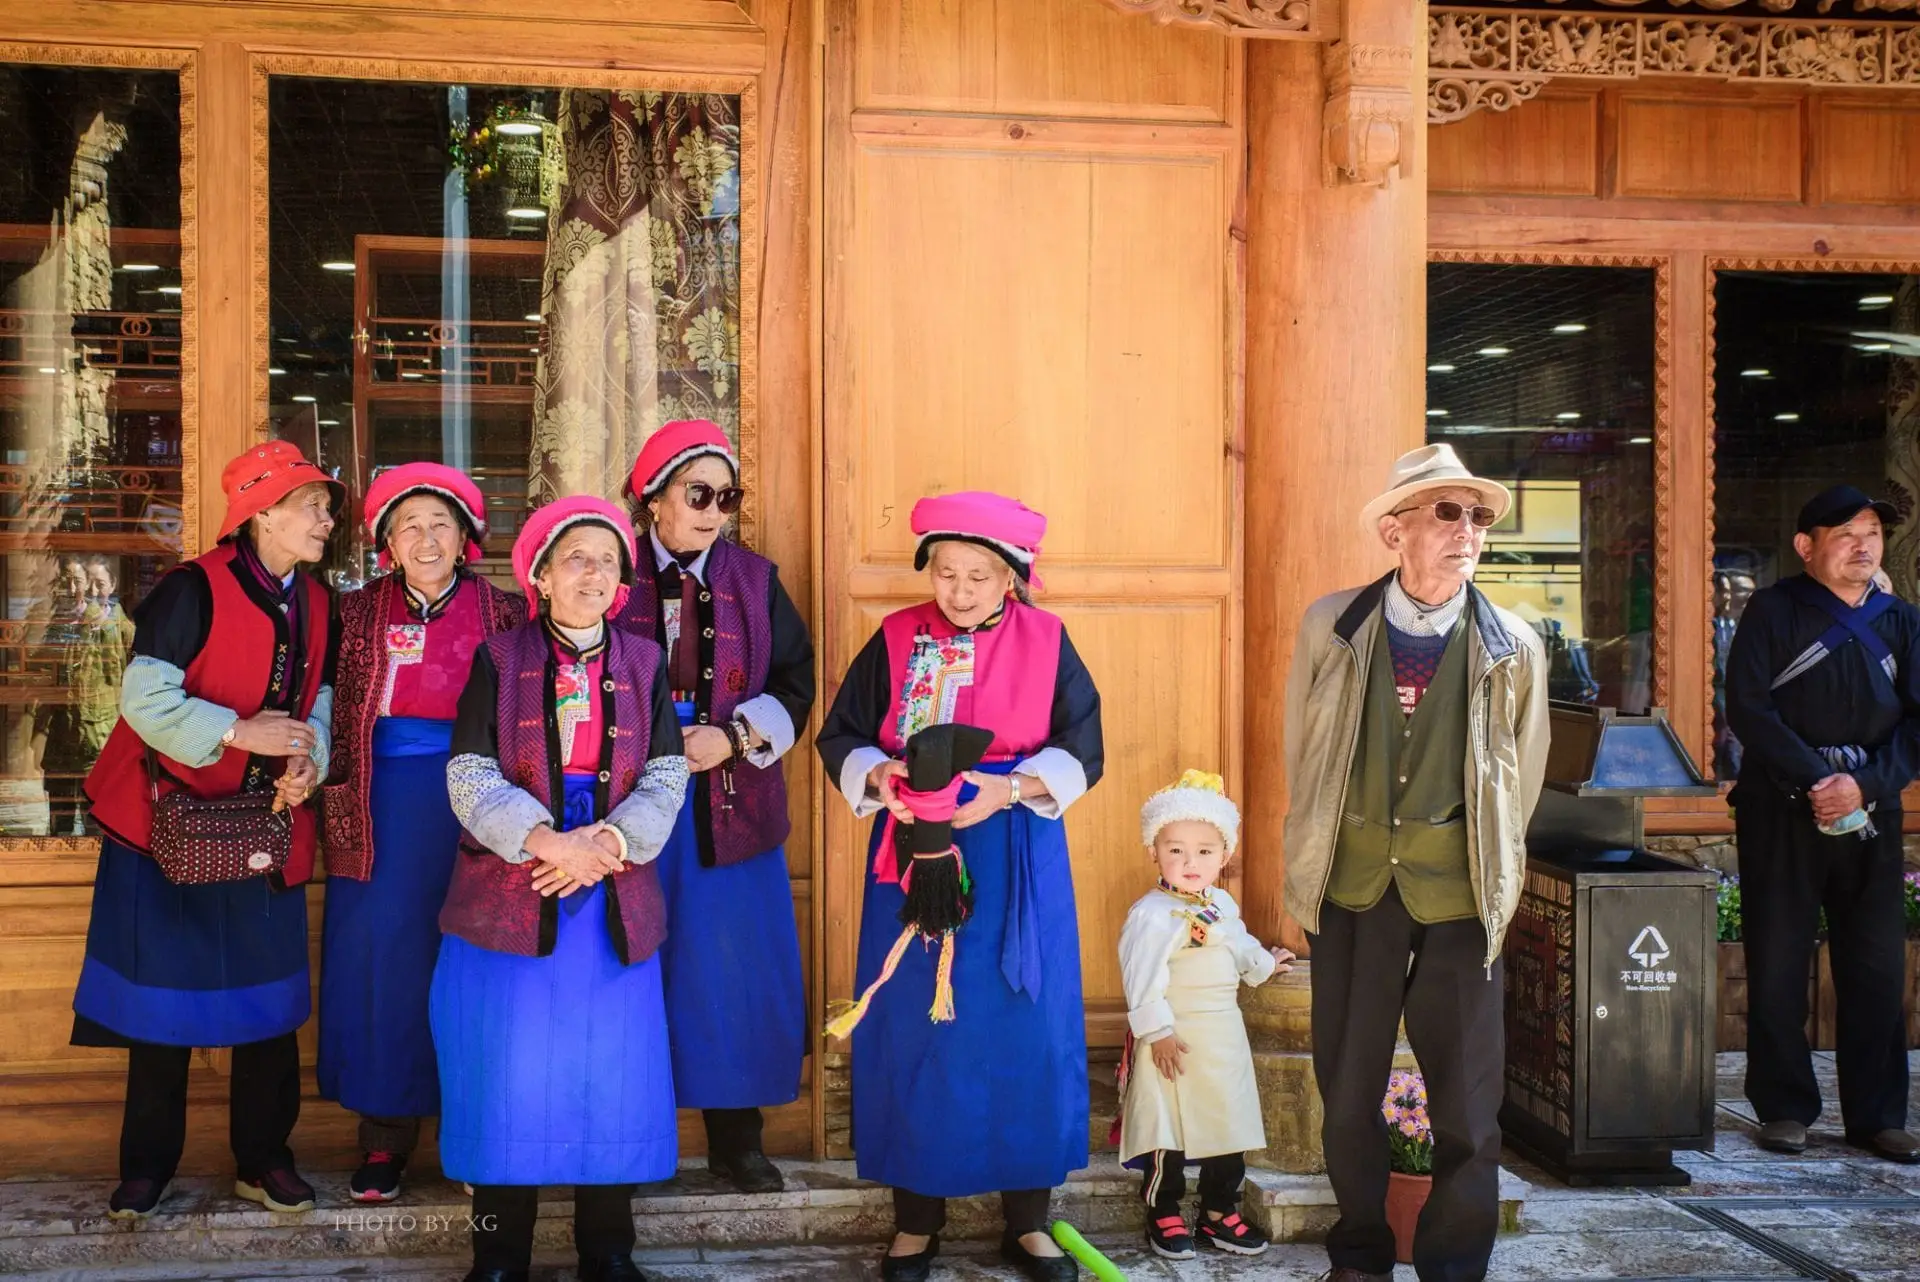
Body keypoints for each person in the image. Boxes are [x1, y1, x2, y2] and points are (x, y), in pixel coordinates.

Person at [816, 491, 1103, 1282]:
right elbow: (839, 733)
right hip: (912, 851)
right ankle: (915, 1222)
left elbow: (1086, 746)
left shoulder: (1048, 640)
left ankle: (1030, 1221)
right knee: (918, 1020)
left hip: (1014, 849)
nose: (962, 590)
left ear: (1011, 578)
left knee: (1023, 1021)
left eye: (980, 575)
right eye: (947, 573)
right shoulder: (897, 637)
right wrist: (881, 775)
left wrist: (1007, 792)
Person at [1283, 444, 1549, 1282]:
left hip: (1462, 893)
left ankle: (1454, 1266)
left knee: (1468, 1104)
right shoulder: (1333, 624)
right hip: (1355, 887)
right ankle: (1359, 1254)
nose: (1466, 531)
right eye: (1447, 512)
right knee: (1349, 1089)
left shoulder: (1515, 644)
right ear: (1396, 529)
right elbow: (1307, 755)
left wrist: (1488, 866)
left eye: (1477, 517)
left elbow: (1523, 772)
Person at [70, 440, 341, 1219]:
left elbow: (317, 703)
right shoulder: (190, 589)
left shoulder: (318, 601)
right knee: (161, 1006)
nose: (327, 519)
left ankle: (265, 1161)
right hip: (165, 829)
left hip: (262, 828)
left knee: (268, 1009)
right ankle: (146, 1169)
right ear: (261, 515)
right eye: (311, 505)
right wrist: (241, 733)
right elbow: (145, 703)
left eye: (325, 505)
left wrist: (306, 759)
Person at [433, 495, 690, 1282]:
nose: (593, 572)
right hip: (514, 882)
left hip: (611, 883)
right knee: (500, 1077)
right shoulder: (497, 658)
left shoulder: (645, 663)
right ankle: (497, 1253)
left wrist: (606, 844)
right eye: (576, 556)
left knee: (608, 1079)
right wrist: (544, 841)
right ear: (540, 575)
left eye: (607, 561)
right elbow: (469, 770)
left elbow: (668, 771)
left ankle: (607, 1253)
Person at [610, 420, 813, 1193]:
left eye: (726, 497)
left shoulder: (755, 580)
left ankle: (738, 1139)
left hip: (734, 805)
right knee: (630, 968)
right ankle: (631, 1138)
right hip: (627, 809)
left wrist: (732, 736)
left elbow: (797, 682)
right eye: (698, 494)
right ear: (652, 497)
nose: (714, 511)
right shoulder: (607, 567)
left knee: (732, 975)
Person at [318, 463, 525, 1202]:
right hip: (380, 811)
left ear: (468, 536)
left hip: (484, 806)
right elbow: (319, 701)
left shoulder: (509, 612)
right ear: (386, 544)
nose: (427, 538)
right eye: (410, 526)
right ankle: (384, 1143)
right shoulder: (352, 612)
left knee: (477, 969)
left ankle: (475, 1142)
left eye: (442, 523)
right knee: (386, 970)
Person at [1724, 484, 1920, 1165]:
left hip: (1872, 812)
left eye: (1872, 532)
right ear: (1807, 547)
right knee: (1777, 959)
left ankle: (1877, 1115)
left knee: (1874, 964)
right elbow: (1748, 709)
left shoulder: (1902, 620)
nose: (1864, 545)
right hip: (1782, 810)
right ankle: (1784, 1108)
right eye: (1846, 534)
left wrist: (1861, 784)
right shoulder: (1772, 611)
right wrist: (1818, 781)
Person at [1118, 770, 1292, 1261]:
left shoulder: (1222, 903)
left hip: (1221, 1032)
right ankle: (1163, 1207)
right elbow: (1140, 978)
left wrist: (1266, 963)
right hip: (1172, 1036)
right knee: (1166, 1126)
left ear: (1225, 855)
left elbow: (1240, 947)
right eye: (1175, 850)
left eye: (1204, 851)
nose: (1190, 862)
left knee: (1226, 1120)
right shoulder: (1150, 914)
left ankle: (1219, 1210)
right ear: (1154, 850)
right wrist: (1158, 1032)